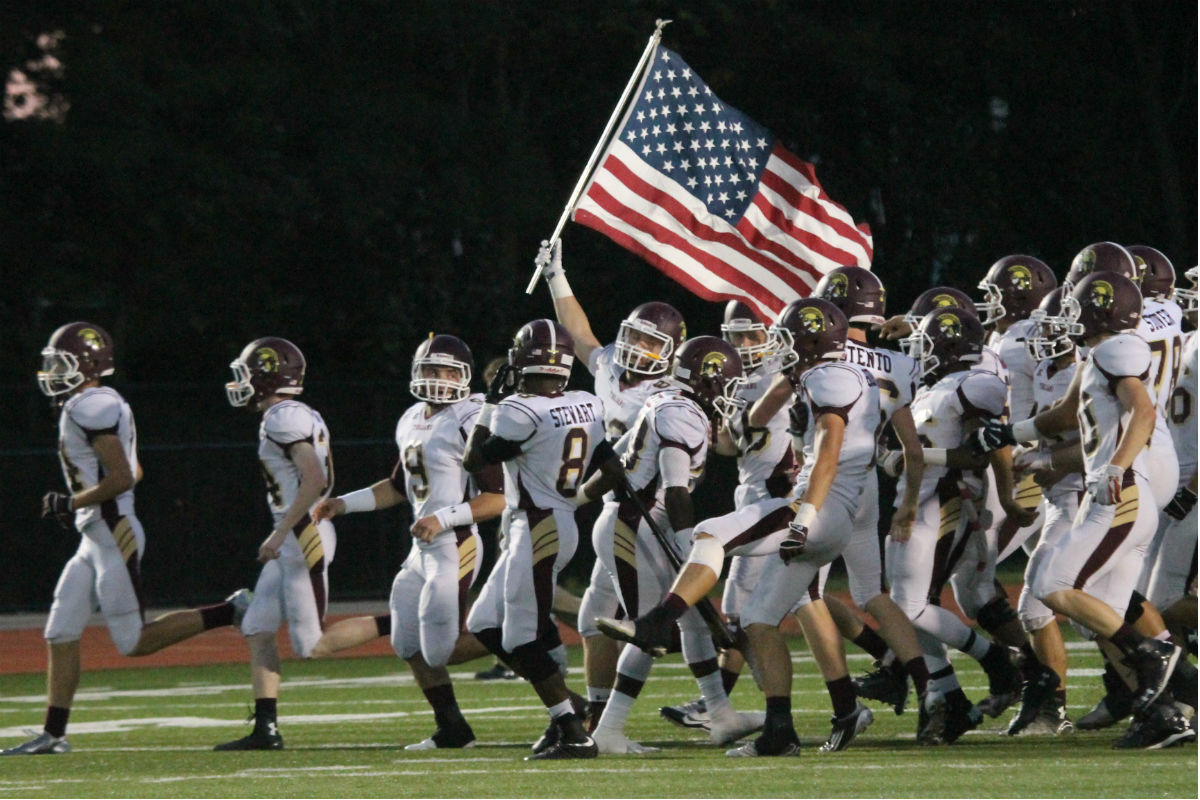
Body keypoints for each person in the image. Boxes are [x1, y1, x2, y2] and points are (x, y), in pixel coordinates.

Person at [602, 299, 881, 755]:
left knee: (709, 534)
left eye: (787, 340)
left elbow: (829, 446)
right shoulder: (819, 375)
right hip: (826, 507)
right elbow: (751, 424)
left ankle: (658, 621)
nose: (779, 348)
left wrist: (805, 515)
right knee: (758, 621)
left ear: (810, 341)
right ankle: (791, 728)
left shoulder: (828, 377)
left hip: (816, 508)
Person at [972, 271, 1195, 749]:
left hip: (1120, 493)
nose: (1069, 317)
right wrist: (1012, 435)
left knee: (1051, 584)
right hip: (1122, 494)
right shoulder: (1098, 355)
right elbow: (1066, 416)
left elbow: (1143, 411)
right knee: (1105, 612)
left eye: (1076, 307)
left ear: (1101, 310)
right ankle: (1164, 714)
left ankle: (1152, 655)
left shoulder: (1117, 348)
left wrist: (1116, 466)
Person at [2, 323, 247, 756]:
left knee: (132, 641)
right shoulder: (89, 403)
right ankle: (53, 734)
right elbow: (134, 472)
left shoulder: (91, 405)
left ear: (89, 364)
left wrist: (71, 502)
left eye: (62, 363)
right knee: (59, 631)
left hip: (113, 530)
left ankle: (232, 610)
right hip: (94, 534)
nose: (53, 372)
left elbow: (119, 477)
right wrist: (81, 507)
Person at [311, 334, 506, 749]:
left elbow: (499, 498)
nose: (438, 378)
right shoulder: (411, 419)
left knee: (442, 651)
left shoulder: (472, 417)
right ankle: (452, 727)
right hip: (422, 549)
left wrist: (444, 517)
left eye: (447, 371)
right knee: (406, 641)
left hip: (456, 542)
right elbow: (399, 487)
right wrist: (341, 504)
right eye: (430, 369)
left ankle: (525, 641)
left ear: (463, 375)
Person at [584, 336, 766, 754]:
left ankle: (720, 715)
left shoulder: (668, 402)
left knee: (696, 622)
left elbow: (617, 464)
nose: (729, 394)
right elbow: (677, 491)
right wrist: (691, 549)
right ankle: (608, 731)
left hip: (645, 525)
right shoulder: (681, 413)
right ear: (708, 381)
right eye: (727, 383)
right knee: (649, 628)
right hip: (635, 528)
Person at [535, 239, 685, 727]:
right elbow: (578, 334)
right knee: (590, 620)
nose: (636, 348)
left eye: (649, 342)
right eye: (633, 337)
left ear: (670, 352)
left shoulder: (669, 394)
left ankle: (616, 723)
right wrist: (557, 275)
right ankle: (599, 718)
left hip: (649, 513)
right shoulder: (610, 371)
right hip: (613, 510)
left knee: (647, 626)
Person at [462, 319, 621, 760]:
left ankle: (571, 728)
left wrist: (488, 405)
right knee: (484, 625)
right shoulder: (587, 402)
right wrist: (576, 498)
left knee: (520, 638)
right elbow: (611, 468)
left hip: (538, 527)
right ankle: (570, 708)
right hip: (549, 523)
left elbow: (474, 459)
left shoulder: (518, 410)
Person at [658, 301, 797, 732]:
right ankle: (720, 703)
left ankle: (855, 692)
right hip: (756, 502)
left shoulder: (785, 376)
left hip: (785, 503)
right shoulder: (748, 379)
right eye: (736, 336)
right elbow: (733, 447)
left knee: (782, 610)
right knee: (751, 613)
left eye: (752, 334)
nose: (743, 344)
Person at [890, 307, 1025, 743]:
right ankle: (952, 702)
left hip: (948, 497)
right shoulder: (933, 389)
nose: (920, 353)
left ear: (948, 346)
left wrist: (917, 458)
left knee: (908, 605)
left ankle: (996, 661)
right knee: (914, 606)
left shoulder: (976, 383)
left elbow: (980, 453)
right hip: (916, 497)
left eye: (928, 344)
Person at [214, 337, 335, 751]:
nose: (241, 381)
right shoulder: (295, 414)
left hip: (302, 534)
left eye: (248, 372)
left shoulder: (282, 418)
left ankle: (400, 625)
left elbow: (315, 478)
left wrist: (282, 530)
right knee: (257, 625)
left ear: (268, 375)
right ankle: (266, 728)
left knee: (311, 645)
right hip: (296, 534)